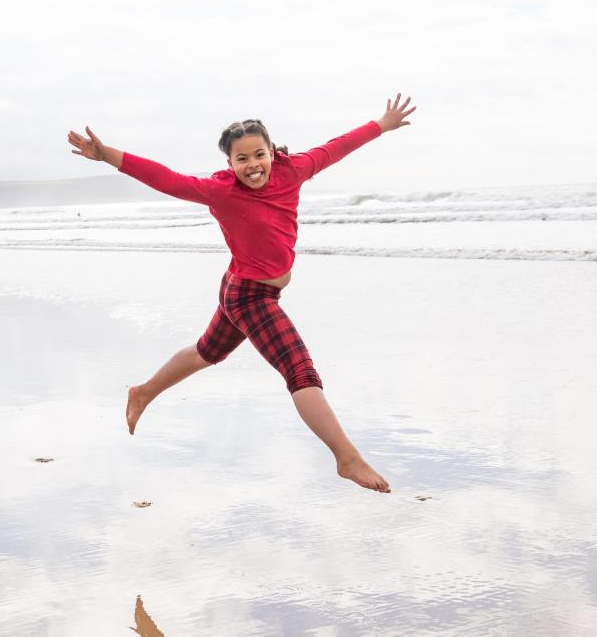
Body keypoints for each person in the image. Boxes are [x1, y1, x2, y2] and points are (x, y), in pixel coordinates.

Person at [67, 94, 415, 493]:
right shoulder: (221, 191)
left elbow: (337, 147)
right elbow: (167, 179)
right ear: (229, 164)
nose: (253, 166)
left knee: (206, 352)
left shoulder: (293, 170)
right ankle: (346, 457)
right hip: (249, 297)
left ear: (271, 151)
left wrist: (381, 125)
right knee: (300, 371)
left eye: (258, 154)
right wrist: (108, 154)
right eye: (242, 159)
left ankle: (143, 392)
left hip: (241, 287)